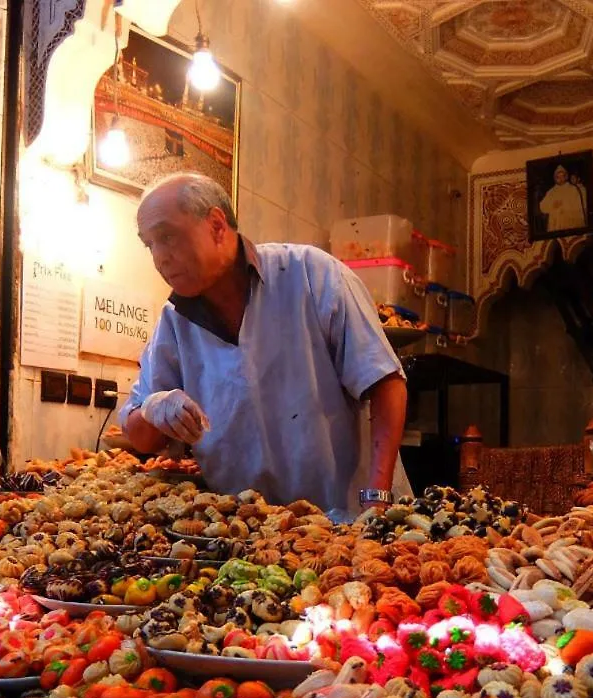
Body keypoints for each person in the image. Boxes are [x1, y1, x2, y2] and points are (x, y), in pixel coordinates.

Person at [119, 172, 411, 516]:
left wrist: (376, 499)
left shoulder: (310, 275)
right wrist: (155, 407)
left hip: (350, 521)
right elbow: (140, 438)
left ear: (216, 225)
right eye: (149, 244)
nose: (159, 258)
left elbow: (385, 383)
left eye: (167, 236)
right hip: (251, 535)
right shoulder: (173, 322)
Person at [539, 165, 588, 233]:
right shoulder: (551, 192)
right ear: (555, 178)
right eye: (558, 177)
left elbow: (580, 207)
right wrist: (552, 205)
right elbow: (542, 207)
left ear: (566, 176)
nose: (560, 178)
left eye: (562, 176)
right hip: (555, 227)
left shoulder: (573, 189)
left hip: (570, 225)